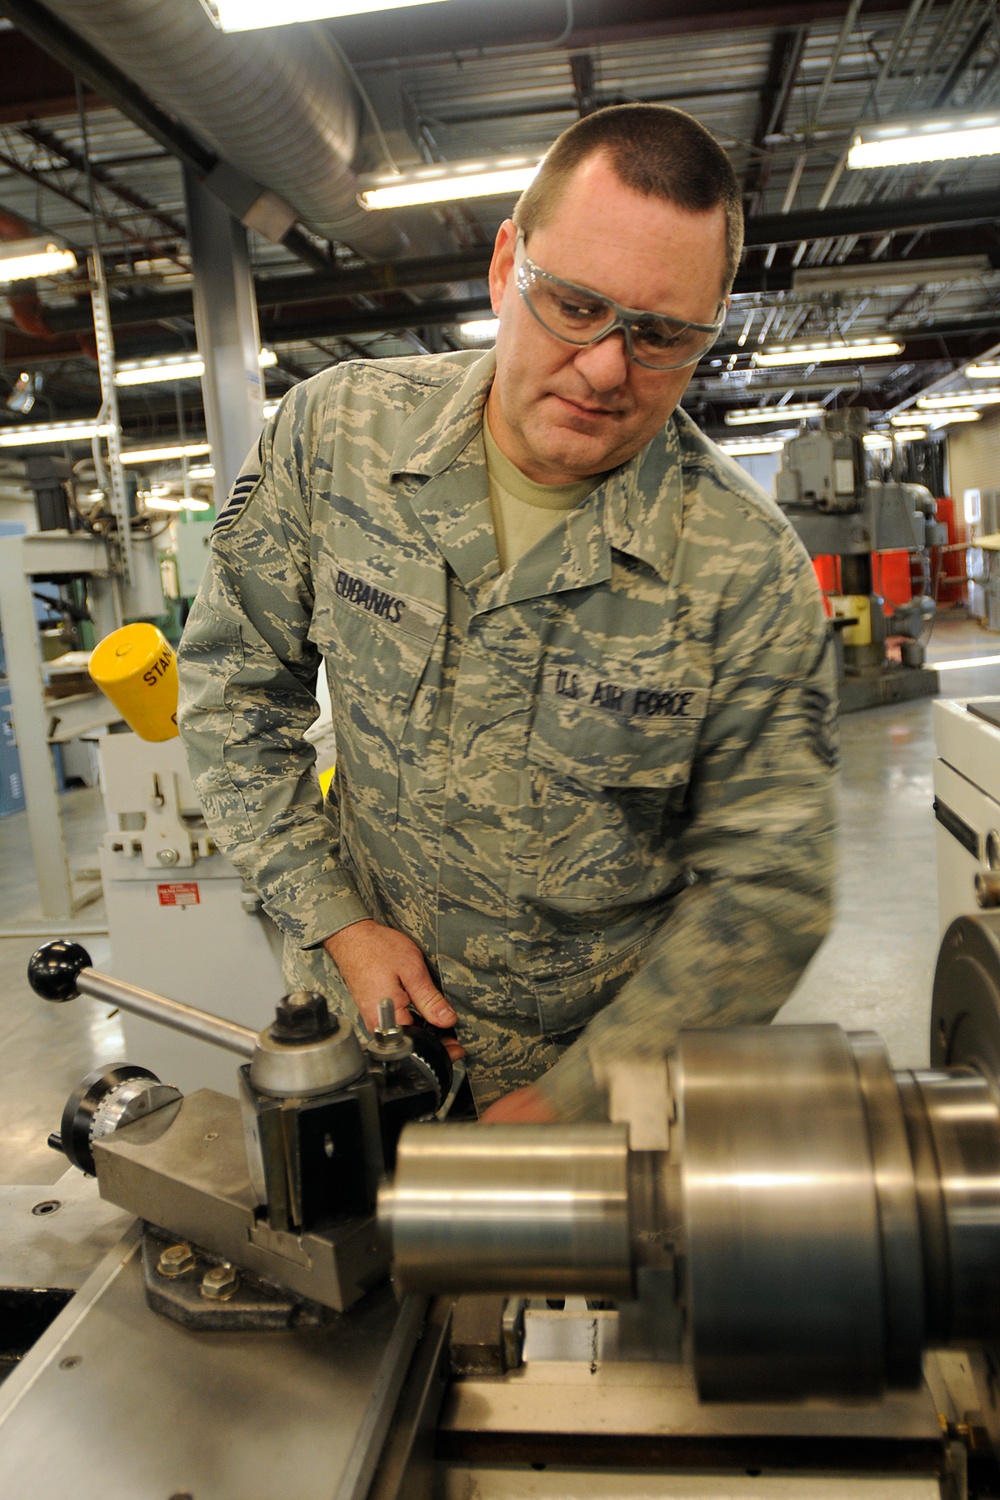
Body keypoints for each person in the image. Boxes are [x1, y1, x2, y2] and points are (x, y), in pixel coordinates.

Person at [178, 103, 836, 1125]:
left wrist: (578, 1096)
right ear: (504, 268)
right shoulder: (335, 436)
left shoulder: (742, 573)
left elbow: (768, 889)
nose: (609, 367)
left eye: (662, 334)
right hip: (374, 1050)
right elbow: (230, 699)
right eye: (575, 306)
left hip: (611, 1099)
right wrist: (337, 920)